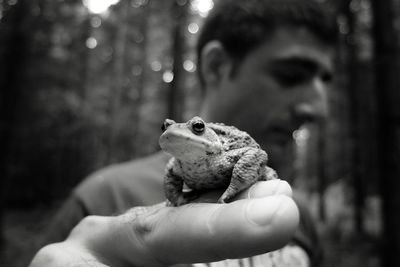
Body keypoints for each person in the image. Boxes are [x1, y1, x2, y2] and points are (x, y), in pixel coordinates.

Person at [30, 0, 337, 266]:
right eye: (291, 75)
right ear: (216, 66)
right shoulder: (103, 197)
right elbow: (173, 175)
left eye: (326, 80)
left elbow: (255, 156)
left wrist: (234, 189)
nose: (318, 109)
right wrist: (176, 197)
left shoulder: (297, 214)